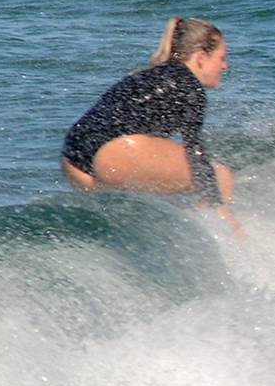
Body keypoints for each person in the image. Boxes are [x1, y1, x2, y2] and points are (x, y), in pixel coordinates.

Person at [61, 16, 241, 236]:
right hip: (115, 155)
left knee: (144, 207)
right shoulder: (189, 86)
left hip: (73, 159)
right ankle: (217, 243)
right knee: (220, 176)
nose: (225, 66)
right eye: (221, 58)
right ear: (201, 58)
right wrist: (218, 205)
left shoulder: (144, 75)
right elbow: (195, 149)